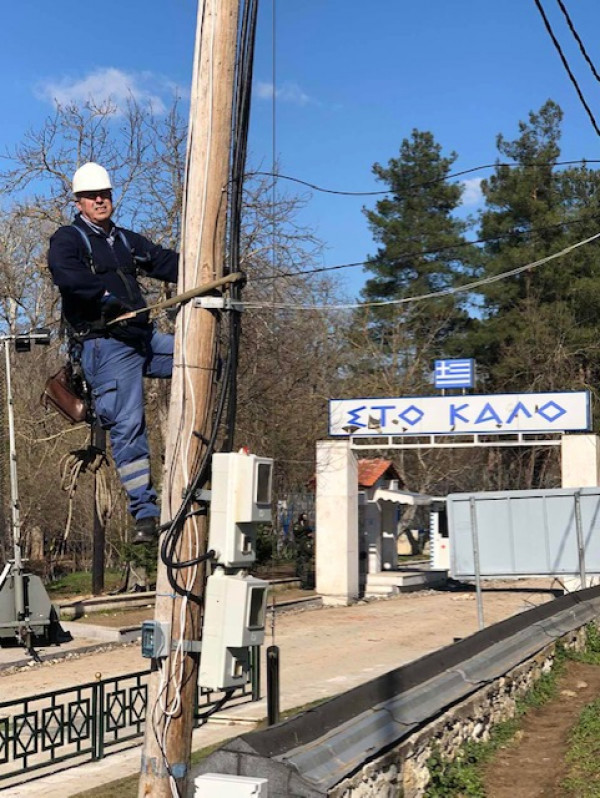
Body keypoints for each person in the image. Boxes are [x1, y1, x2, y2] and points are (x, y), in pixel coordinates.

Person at [47, 162, 179, 545]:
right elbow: (67, 276)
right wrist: (105, 301)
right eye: (92, 196)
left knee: (200, 360)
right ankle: (145, 512)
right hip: (105, 345)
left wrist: (210, 270)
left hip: (141, 337)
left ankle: (198, 470)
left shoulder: (123, 240)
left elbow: (162, 261)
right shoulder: (69, 239)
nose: (100, 200)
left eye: (104, 194)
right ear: (79, 202)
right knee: (128, 424)